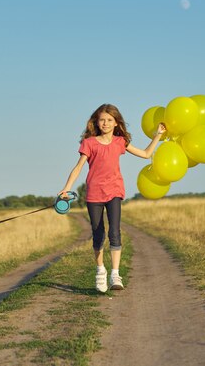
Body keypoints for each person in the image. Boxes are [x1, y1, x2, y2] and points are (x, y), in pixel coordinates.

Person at [59, 103, 166, 292]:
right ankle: (100, 270)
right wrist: (66, 189)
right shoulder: (89, 143)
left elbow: (146, 154)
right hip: (94, 193)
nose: (105, 123)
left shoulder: (120, 142)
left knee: (115, 232)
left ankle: (115, 275)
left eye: (109, 120)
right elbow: (78, 168)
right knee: (98, 234)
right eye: (102, 120)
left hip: (115, 191)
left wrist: (158, 134)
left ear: (116, 123)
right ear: (96, 122)